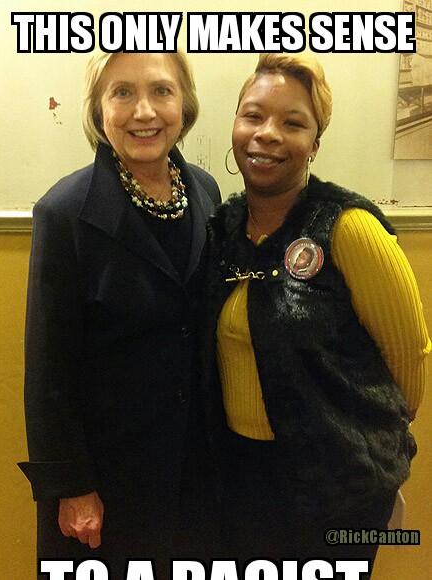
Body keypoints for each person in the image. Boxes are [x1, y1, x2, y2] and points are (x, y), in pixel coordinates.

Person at [203, 53, 430, 577]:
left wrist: (365, 442)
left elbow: (409, 361)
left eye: (292, 122)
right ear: (235, 126)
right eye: (253, 116)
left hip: (338, 487)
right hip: (243, 478)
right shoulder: (223, 228)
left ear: (315, 143)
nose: (267, 134)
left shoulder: (348, 227)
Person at [19, 50, 220, 579]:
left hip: (193, 470)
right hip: (107, 483)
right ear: (98, 109)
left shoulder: (205, 191)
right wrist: (72, 487)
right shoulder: (64, 212)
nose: (144, 111)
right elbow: (48, 368)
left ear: (184, 103)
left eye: (161, 90)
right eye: (123, 92)